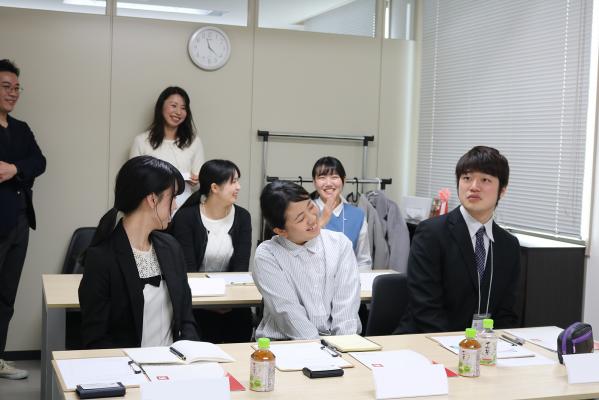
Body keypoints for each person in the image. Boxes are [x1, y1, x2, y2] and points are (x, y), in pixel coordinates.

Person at [396, 146, 521, 334]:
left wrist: (495, 344)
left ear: (502, 190)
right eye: (467, 178)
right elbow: (425, 308)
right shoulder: (431, 233)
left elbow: (506, 313)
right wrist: (460, 345)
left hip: (483, 345)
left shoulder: (508, 245)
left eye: (485, 180)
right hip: (428, 339)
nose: (474, 187)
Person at [79, 156, 198, 349]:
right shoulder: (102, 258)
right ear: (152, 199)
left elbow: (186, 319)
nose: (175, 205)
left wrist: (189, 353)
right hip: (126, 364)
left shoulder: (171, 247)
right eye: (173, 197)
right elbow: (96, 339)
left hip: (174, 362)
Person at [253, 180, 361, 340]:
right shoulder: (268, 255)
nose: (312, 219)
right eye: (300, 218)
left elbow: (347, 306)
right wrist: (319, 349)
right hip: (287, 344)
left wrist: (344, 344)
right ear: (281, 230)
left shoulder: (339, 244)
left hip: (337, 343)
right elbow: (289, 314)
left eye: (311, 207)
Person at [171, 159, 252, 343]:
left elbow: (241, 268)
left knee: (240, 324)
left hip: (232, 301)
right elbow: (187, 270)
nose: (238, 187)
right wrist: (211, 303)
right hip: (196, 302)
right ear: (214, 188)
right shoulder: (186, 218)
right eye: (233, 182)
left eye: (238, 181)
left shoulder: (242, 217)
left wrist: (227, 300)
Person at [0, 59, 46, 379]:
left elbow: (39, 161)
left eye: (17, 88)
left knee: (6, 297)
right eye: (6, 86)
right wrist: (22, 169)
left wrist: (14, 169)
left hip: (19, 221)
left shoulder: (21, 128)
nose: (13, 93)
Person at [130, 86, 204, 208]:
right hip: (151, 209)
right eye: (173, 106)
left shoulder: (194, 142)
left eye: (183, 108)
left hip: (184, 209)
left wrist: (196, 181)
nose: (178, 112)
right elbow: (133, 180)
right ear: (161, 107)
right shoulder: (141, 141)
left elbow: (201, 184)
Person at [311, 156, 372, 271]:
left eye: (334, 177)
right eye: (322, 177)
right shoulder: (305, 212)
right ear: (314, 182)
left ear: (344, 180)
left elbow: (363, 261)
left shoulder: (357, 215)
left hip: (349, 279)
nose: (328, 183)